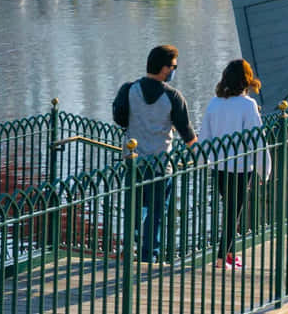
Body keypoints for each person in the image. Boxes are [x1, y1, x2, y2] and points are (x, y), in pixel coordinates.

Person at [112, 45, 197, 261]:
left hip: (134, 162)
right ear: (164, 68)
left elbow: (120, 118)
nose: (175, 70)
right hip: (161, 164)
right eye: (174, 66)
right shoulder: (173, 97)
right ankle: (150, 255)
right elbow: (187, 134)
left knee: (134, 207)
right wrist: (202, 156)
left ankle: (129, 245)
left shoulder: (128, 90)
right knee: (157, 213)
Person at [201, 59, 270, 270]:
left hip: (219, 167)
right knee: (234, 212)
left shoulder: (214, 103)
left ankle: (229, 254)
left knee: (229, 208)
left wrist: (202, 162)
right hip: (240, 168)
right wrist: (263, 171)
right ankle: (222, 258)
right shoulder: (247, 105)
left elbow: (205, 136)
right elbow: (257, 140)